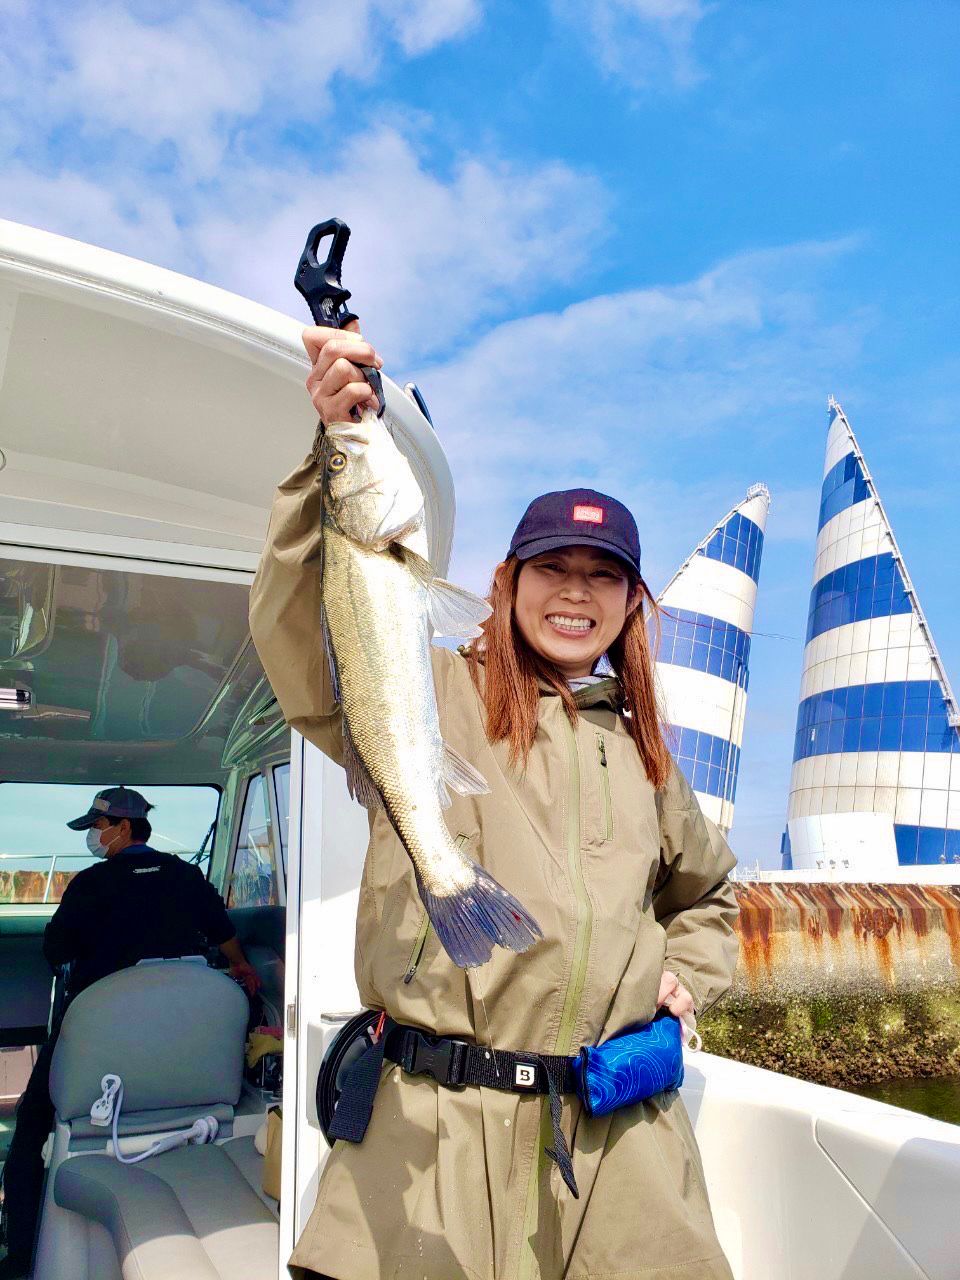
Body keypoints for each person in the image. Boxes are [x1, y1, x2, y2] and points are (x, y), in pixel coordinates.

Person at [248, 324, 740, 1280]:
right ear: (506, 582)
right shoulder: (431, 686)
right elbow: (296, 634)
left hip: (619, 1143)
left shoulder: (643, 751)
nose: (575, 593)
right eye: (552, 568)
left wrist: (690, 978)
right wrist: (334, 446)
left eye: (604, 577)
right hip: (432, 1130)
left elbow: (711, 895)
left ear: (632, 606)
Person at [0, 786, 261, 1279]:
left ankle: (19, 1259)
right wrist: (243, 966)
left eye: (97, 828)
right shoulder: (187, 876)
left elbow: (54, 951)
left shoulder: (91, 885)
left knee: (30, 1132)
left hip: (102, 1059)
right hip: (186, 1050)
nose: (93, 838)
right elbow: (223, 933)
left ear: (122, 827)